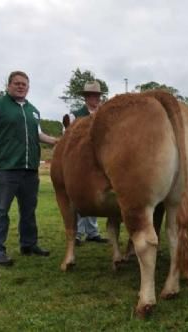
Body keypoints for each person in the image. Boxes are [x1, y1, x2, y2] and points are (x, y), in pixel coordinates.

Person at [0, 71, 58, 266]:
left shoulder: (33, 111)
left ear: (28, 88)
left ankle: (29, 244)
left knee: (29, 210)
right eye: (17, 83)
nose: (21, 86)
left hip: (30, 169)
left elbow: (39, 135)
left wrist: (58, 141)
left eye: (24, 84)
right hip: (6, 168)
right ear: (9, 85)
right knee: (1, 210)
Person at [66, 81, 108, 245]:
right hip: (79, 161)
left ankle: (92, 232)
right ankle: (77, 233)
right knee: (77, 196)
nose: (95, 98)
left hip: (98, 161)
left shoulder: (104, 115)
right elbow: (67, 140)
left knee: (94, 196)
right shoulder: (74, 115)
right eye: (91, 95)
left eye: (97, 95)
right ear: (86, 97)